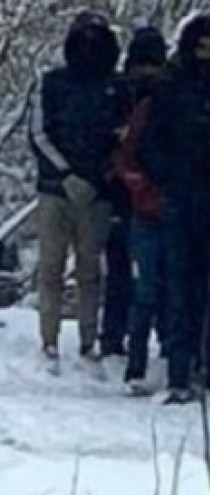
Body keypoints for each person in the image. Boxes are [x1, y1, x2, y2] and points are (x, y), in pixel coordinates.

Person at [139, 12, 210, 403]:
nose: (208, 56)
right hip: (181, 200)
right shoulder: (171, 89)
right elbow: (150, 144)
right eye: (202, 48)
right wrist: (175, 176)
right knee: (179, 288)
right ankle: (180, 371)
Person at [31, 11, 125, 371]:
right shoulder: (51, 83)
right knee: (50, 267)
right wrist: (66, 173)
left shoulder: (116, 88)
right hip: (55, 189)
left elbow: (124, 137)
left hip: (97, 192)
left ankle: (89, 341)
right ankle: (49, 340)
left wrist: (101, 175)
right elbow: (38, 134)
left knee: (90, 270)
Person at [102, 26, 170, 360]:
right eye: (141, 64)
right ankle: (114, 335)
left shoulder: (168, 98)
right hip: (118, 192)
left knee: (162, 275)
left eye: (153, 64)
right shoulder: (116, 94)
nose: (147, 71)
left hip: (156, 196)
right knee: (119, 268)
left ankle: (164, 336)